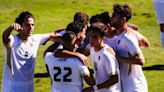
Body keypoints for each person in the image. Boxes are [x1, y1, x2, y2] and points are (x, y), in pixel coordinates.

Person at [1, 11, 58, 92]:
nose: (31, 27)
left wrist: (69, 32)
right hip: (12, 88)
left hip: (29, 88)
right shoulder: (13, 40)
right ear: (20, 26)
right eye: (28, 25)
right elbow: (5, 37)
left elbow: (52, 35)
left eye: (32, 25)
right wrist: (10, 28)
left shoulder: (35, 39)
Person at [111, 3, 148, 92]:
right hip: (127, 86)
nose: (111, 18)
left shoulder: (128, 38)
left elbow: (141, 60)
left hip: (135, 87)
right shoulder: (118, 36)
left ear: (123, 20)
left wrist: (118, 58)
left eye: (114, 16)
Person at [83, 22, 121, 92]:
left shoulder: (107, 55)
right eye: (90, 36)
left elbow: (115, 79)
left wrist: (94, 88)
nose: (91, 39)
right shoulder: (92, 49)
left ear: (103, 38)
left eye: (95, 37)